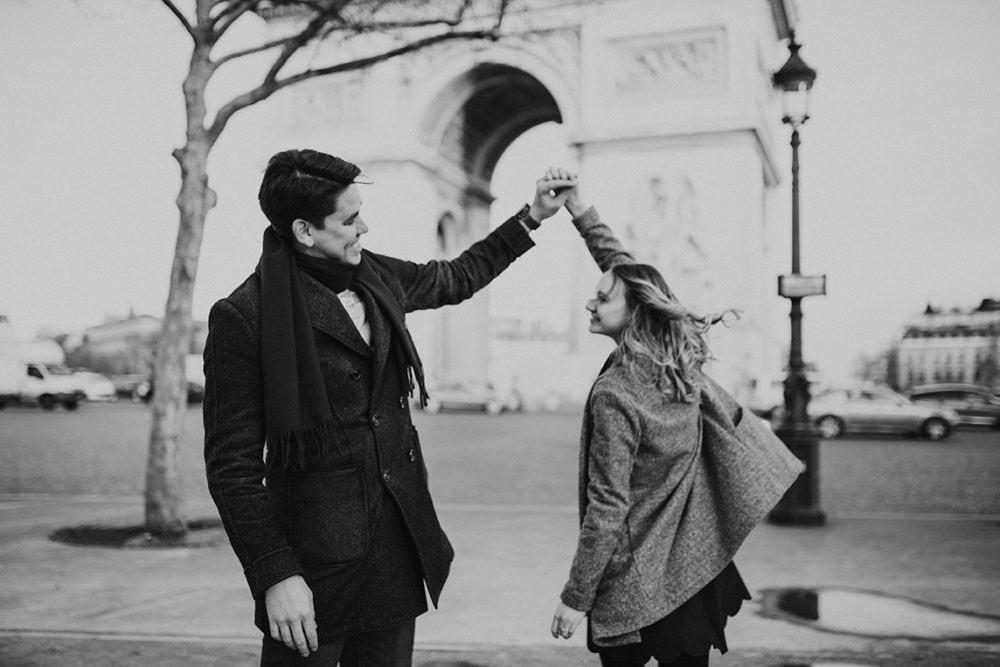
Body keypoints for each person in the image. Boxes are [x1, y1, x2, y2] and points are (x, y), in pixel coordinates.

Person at [203, 149, 572, 666]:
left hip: (397, 548)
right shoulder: (243, 317)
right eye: (349, 220)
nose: (364, 228)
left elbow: (457, 276)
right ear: (304, 231)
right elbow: (232, 468)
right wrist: (275, 574)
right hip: (313, 568)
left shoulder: (377, 275)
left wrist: (532, 216)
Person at [547, 168, 803, 666]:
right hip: (694, 572)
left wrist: (576, 597)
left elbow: (608, 506)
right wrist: (579, 211)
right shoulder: (679, 366)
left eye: (602, 298)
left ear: (634, 310)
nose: (590, 302)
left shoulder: (615, 393)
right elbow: (626, 272)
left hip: (637, 584)